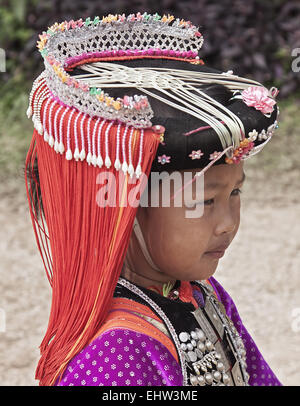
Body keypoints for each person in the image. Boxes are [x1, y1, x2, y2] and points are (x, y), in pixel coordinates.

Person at [24, 12, 281, 386]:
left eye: (235, 192)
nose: (228, 223)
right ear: (125, 209)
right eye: (204, 202)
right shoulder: (114, 357)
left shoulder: (202, 294)